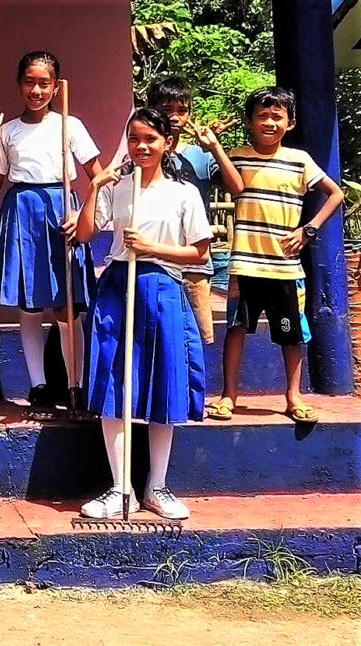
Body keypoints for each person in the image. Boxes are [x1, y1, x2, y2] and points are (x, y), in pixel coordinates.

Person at [71, 108, 213, 520]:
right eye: (134, 139)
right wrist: (95, 185)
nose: (141, 146)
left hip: (162, 289)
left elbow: (198, 252)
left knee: (164, 382)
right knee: (113, 383)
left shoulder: (183, 193)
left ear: (166, 142)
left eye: (150, 138)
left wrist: (151, 248)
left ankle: (157, 486)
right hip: (117, 287)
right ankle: (120, 489)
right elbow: (84, 234)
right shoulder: (117, 188)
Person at [206, 87, 344, 423]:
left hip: (285, 266)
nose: (269, 122)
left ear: (290, 122)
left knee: (292, 333)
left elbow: (335, 193)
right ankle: (229, 395)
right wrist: (215, 148)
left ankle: (293, 396)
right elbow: (230, 187)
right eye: (262, 116)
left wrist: (307, 230)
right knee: (237, 327)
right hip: (244, 262)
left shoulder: (300, 160)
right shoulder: (235, 156)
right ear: (249, 121)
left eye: (277, 116)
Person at [0, 51, 102, 415]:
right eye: (30, 82)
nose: (37, 90)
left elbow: (98, 175)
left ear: (56, 86)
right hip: (22, 214)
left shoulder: (70, 124)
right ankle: (39, 386)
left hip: (61, 212)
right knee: (31, 305)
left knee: (67, 308)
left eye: (44, 83)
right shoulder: (8, 131)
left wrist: (81, 213)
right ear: (18, 85)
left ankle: (76, 385)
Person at [146, 76, 240, 345]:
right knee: (158, 338)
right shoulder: (143, 154)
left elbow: (237, 188)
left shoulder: (200, 155)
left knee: (195, 338)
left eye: (182, 111)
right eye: (166, 110)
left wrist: (214, 147)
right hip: (154, 259)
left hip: (194, 261)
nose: (175, 118)